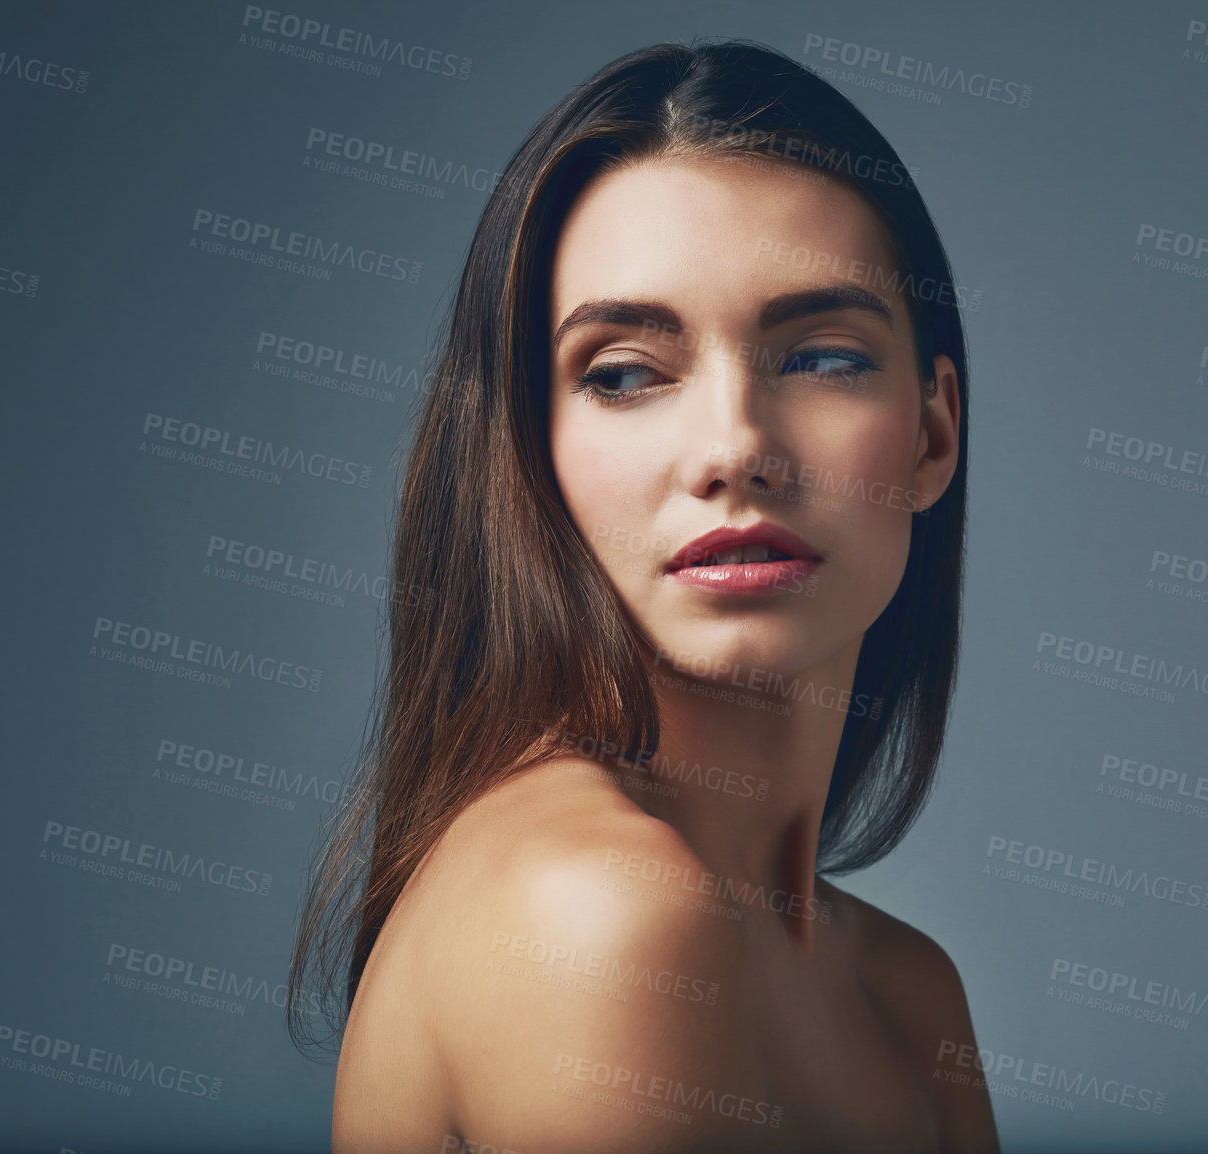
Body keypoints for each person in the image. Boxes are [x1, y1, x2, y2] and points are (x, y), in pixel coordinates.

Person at [290, 37, 997, 1153]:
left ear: (932, 431)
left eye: (821, 357)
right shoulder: (602, 913)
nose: (734, 448)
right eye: (623, 373)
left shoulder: (912, 997)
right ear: (533, 449)